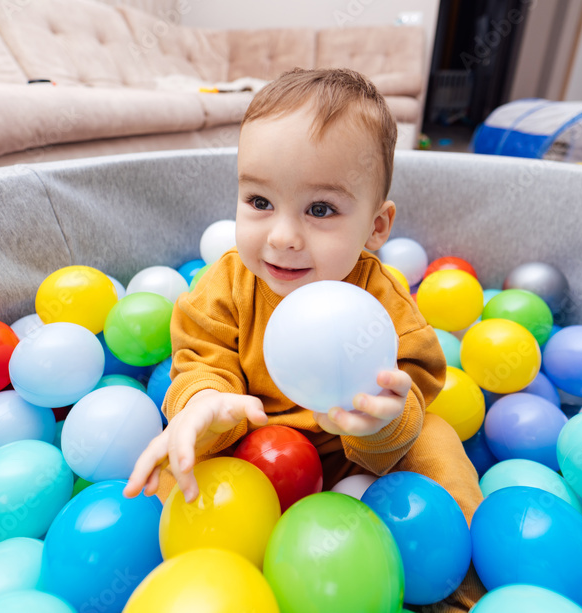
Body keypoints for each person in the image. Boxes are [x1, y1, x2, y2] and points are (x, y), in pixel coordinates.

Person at [124, 67, 485, 611]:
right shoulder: (226, 286)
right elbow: (201, 358)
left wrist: (384, 420)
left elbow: (415, 378)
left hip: (357, 458)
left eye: (320, 210)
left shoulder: (381, 302)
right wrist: (203, 405)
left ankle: (461, 587)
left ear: (376, 227)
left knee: (435, 441)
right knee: (179, 474)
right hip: (250, 447)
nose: (283, 237)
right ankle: (215, 586)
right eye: (260, 202)